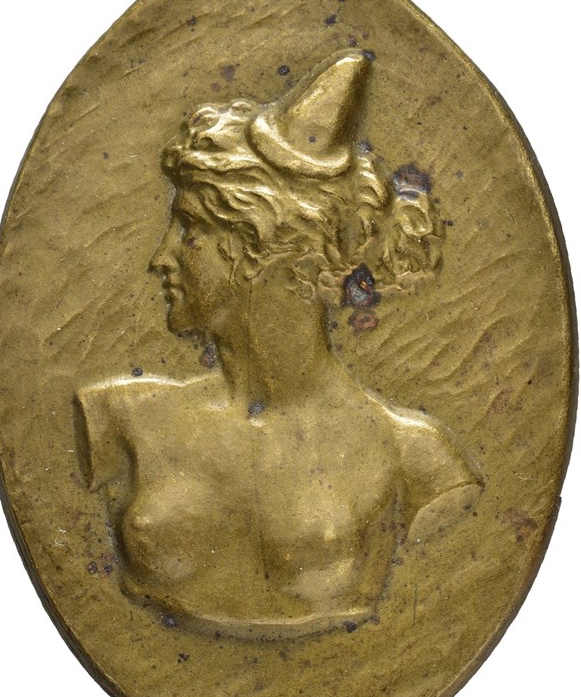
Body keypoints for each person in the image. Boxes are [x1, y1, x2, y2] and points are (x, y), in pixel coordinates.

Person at [76, 50, 483, 639]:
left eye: (190, 229)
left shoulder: (416, 459)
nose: (161, 257)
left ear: (265, 251)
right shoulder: (120, 419)